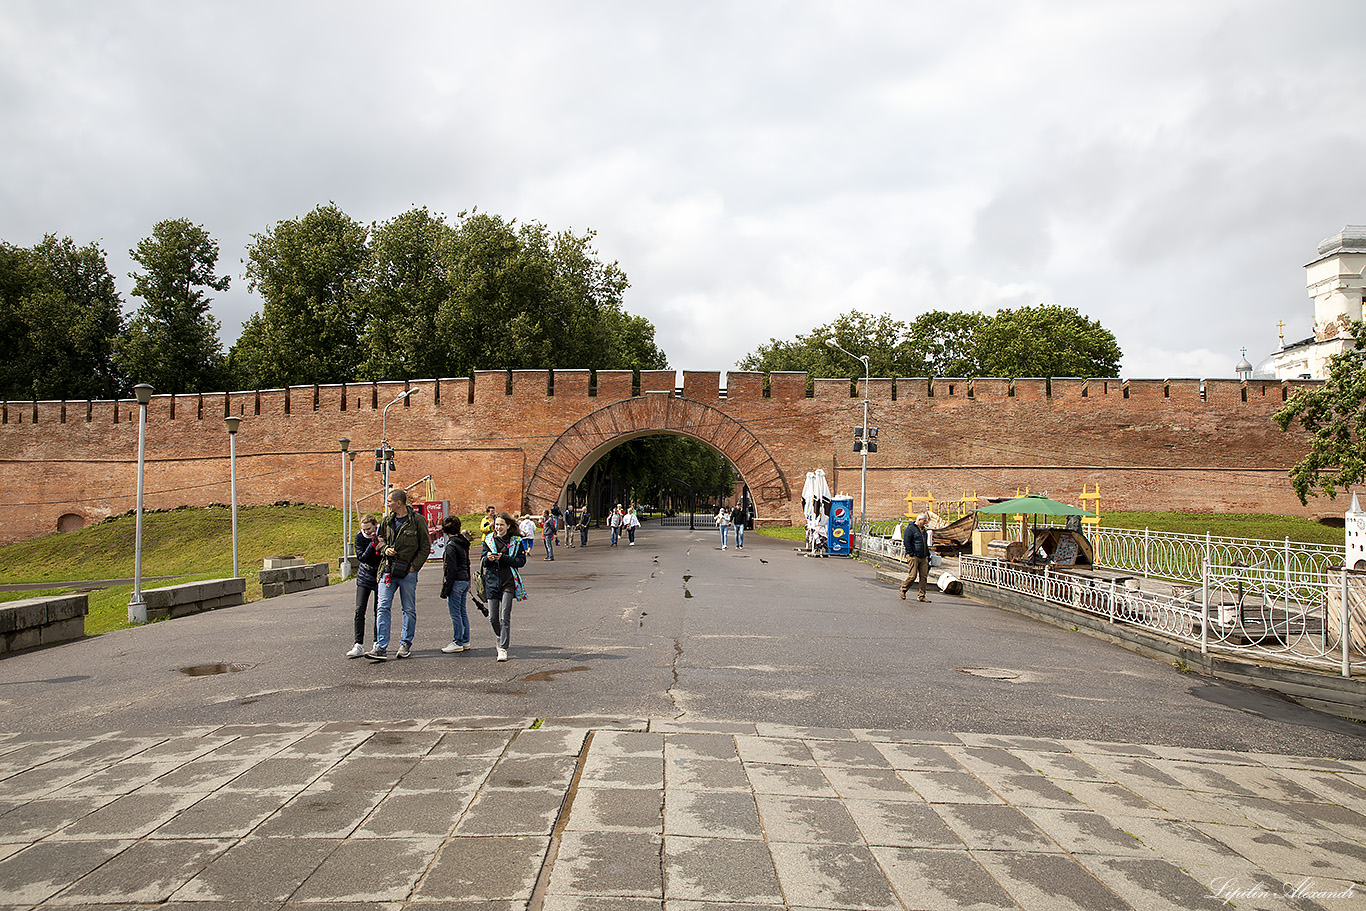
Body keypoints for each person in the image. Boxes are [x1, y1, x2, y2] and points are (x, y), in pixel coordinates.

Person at [365, 489, 429, 661]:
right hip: (388, 569)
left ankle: (405, 643)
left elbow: (425, 546)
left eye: (389, 501)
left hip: (407, 571)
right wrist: (385, 549)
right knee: (382, 606)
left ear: (398, 502)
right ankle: (380, 646)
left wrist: (414, 567)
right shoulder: (387, 521)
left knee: (408, 609)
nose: (387, 503)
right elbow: (379, 540)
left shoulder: (417, 521)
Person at [481, 511, 527, 662]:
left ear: (508, 526)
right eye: (497, 525)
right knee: (493, 617)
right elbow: (482, 561)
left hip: (508, 581)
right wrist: (487, 558)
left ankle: (503, 648)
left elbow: (521, 561)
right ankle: (499, 636)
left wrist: (504, 558)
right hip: (492, 581)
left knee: (504, 615)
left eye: (501, 525)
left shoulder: (516, 541)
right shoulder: (488, 540)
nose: (498, 527)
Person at [346, 514, 382, 658]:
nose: (366, 532)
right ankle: (358, 644)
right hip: (364, 575)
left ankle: (377, 642)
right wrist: (372, 545)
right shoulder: (359, 537)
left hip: (379, 574)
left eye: (369, 529)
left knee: (378, 610)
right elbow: (362, 557)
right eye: (364, 529)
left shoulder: (381, 534)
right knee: (359, 609)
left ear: (375, 525)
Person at [438, 515, 472, 653]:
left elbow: (450, 569)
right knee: (462, 611)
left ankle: (457, 641)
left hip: (456, 581)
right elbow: (467, 563)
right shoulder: (463, 543)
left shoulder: (451, 546)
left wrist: (446, 588)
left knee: (455, 613)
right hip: (464, 579)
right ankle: (465, 640)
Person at [901, 512, 932, 602]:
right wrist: (911, 553)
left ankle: (921, 595)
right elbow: (907, 541)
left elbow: (924, 543)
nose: (925, 523)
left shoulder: (923, 530)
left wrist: (928, 555)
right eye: (924, 521)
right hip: (913, 556)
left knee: (923, 576)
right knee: (912, 576)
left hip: (923, 556)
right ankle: (904, 589)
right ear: (919, 520)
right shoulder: (910, 529)